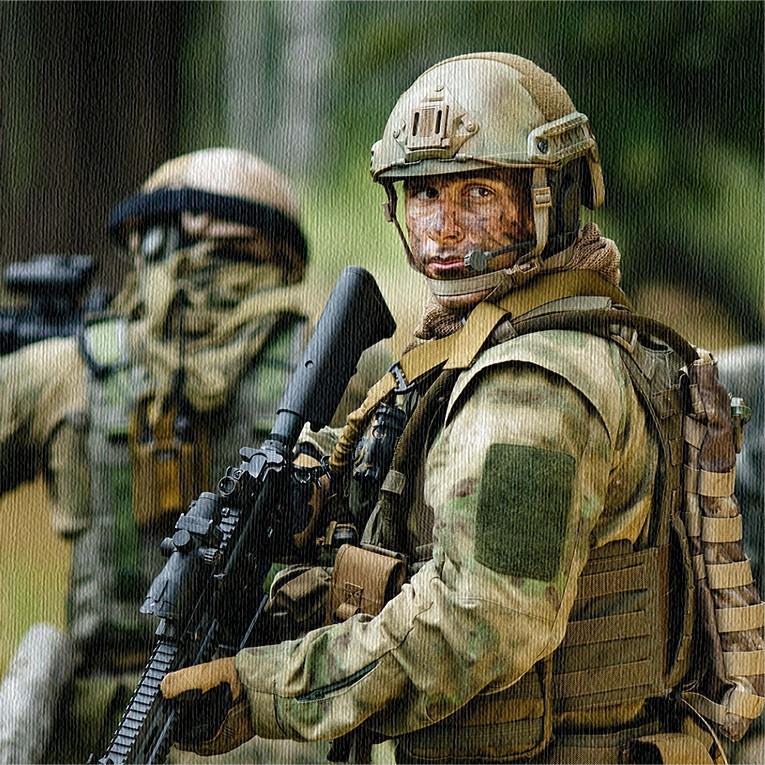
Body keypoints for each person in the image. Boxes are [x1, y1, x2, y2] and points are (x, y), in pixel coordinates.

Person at [160, 54, 765, 764]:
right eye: (422, 194)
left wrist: (263, 690)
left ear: (551, 198)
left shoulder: (533, 388)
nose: (442, 228)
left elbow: (476, 623)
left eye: (477, 194)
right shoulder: (499, 341)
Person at [0, 147, 332, 763]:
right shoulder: (332, 366)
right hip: (272, 724)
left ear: (154, 242)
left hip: (108, 729)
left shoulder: (63, 371)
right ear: (279, 253)